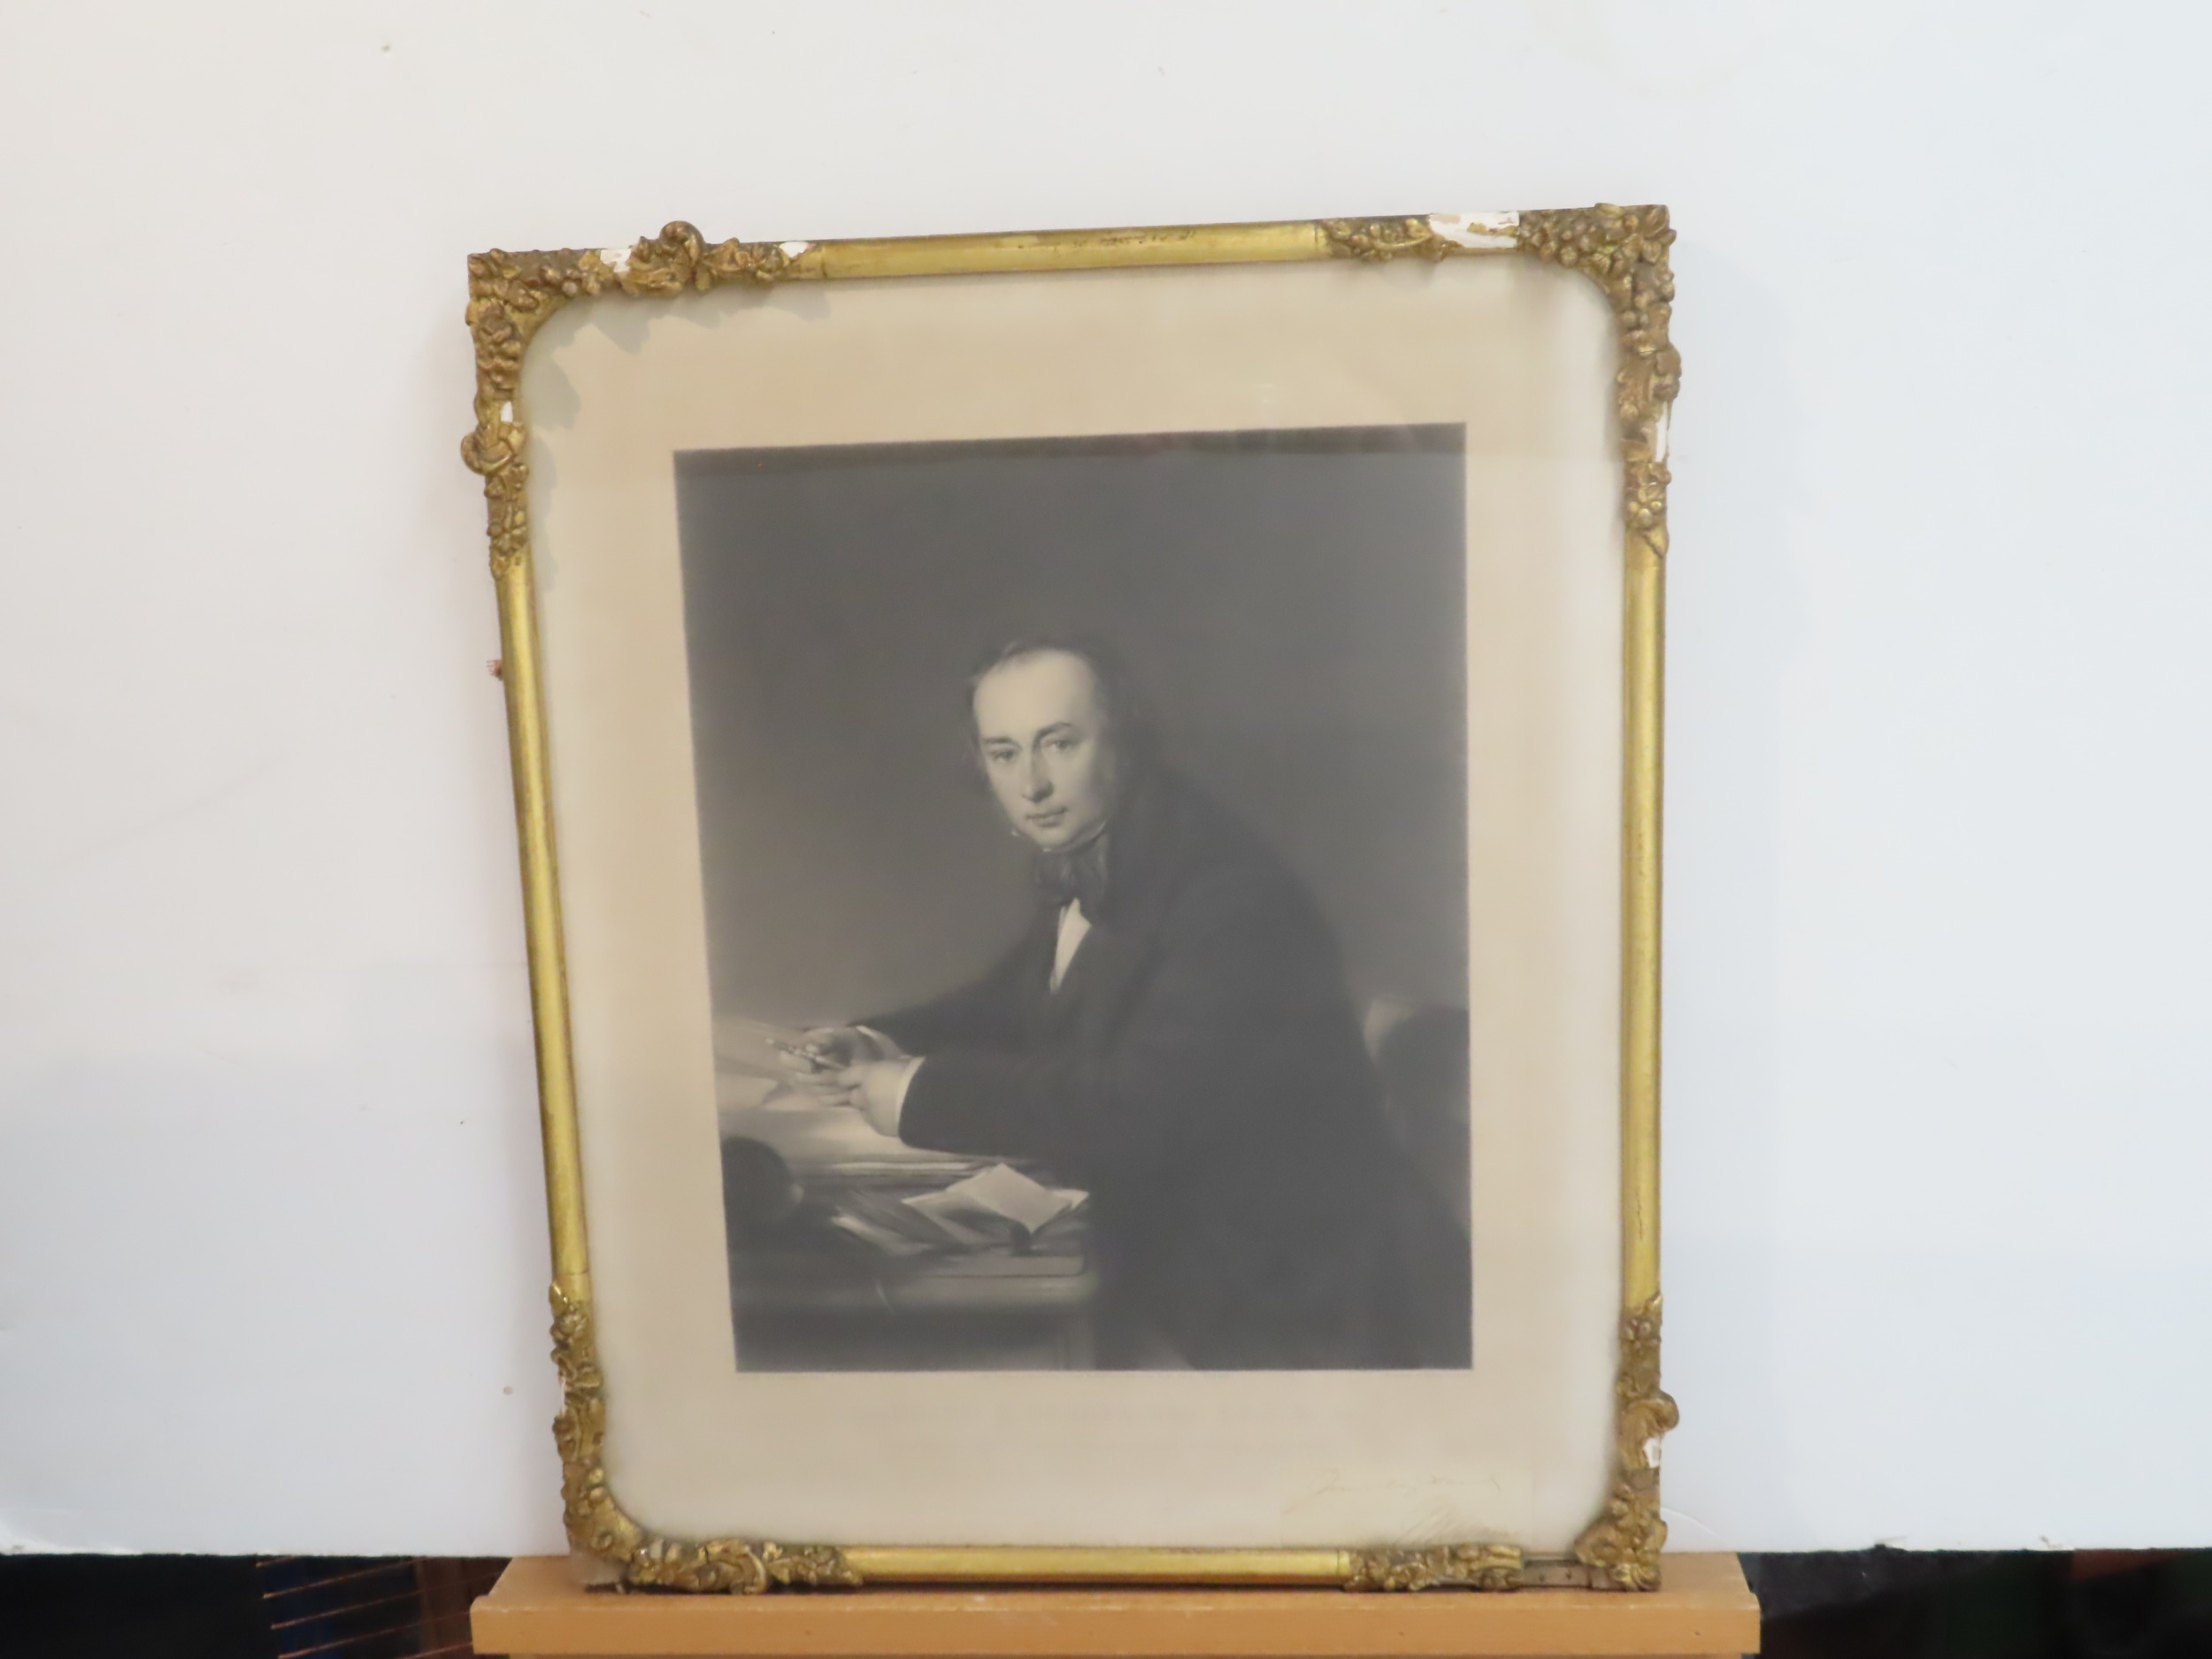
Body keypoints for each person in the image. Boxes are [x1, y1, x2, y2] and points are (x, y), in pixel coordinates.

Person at [797, 635, 1465, 1369]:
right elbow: (1018, 1002)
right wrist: (881, 1038)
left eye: (1059, 744)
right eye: (1004, 753)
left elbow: (1135, 1107)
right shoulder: (1110, 851)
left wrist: (915, 1093)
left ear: (1122, 742)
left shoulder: (1227, 895)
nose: (1032, 784)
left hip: (1296, 1302)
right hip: (1182, 1257)